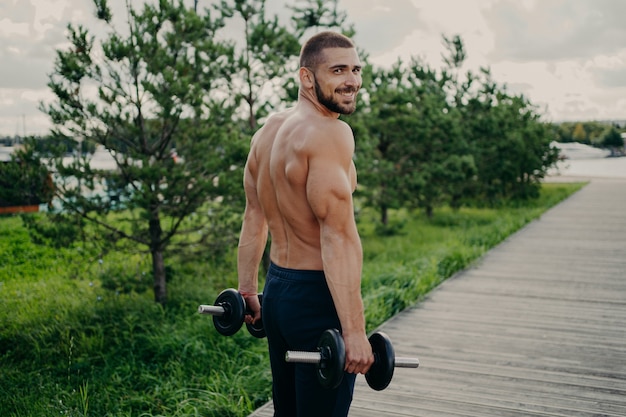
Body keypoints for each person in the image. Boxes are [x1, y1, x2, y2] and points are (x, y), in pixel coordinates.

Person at [236, 31, 374, 417]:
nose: (352, 80)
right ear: (307, 78)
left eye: (356, 69)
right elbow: (339, 237)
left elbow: (254, 215)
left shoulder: (268, 131)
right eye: (338, 70)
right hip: (316, 300)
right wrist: (354, 331)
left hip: (278, 294)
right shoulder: (330, 134)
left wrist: (249, 291)